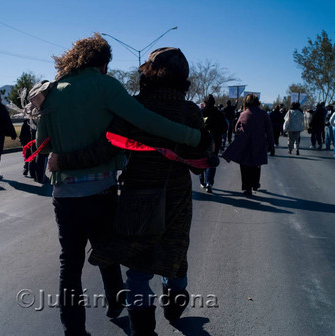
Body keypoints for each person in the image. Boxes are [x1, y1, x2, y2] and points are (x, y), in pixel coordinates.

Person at [35, 34, 208, 336]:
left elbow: (101, 147)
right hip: (172, 196)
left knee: (134, 262)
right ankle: (171, 299)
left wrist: (64, 161)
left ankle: (137, 327)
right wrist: (195, 142)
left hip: (130, 195)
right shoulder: (189, 112)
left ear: (148, 73)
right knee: (174, 252)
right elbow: (200, 158)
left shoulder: (123, 104)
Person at [223, 94, 274, 196]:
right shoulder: (264, 114)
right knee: (256, 164)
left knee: (245, 165)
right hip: (259, 143)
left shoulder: (243, 114)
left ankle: (247, 188)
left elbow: (236, 129)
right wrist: (271, 145)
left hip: (245, 144)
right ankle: (255, 184)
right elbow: (269, 131)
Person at [200, 94, 228, 193]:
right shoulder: (219, 114)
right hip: (216, 140)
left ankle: (202, 180)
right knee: (212, 160)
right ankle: (209, 182)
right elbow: (225, 128)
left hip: (202, 140)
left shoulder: (201, 113)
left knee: (202, 159)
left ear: (205, 103)